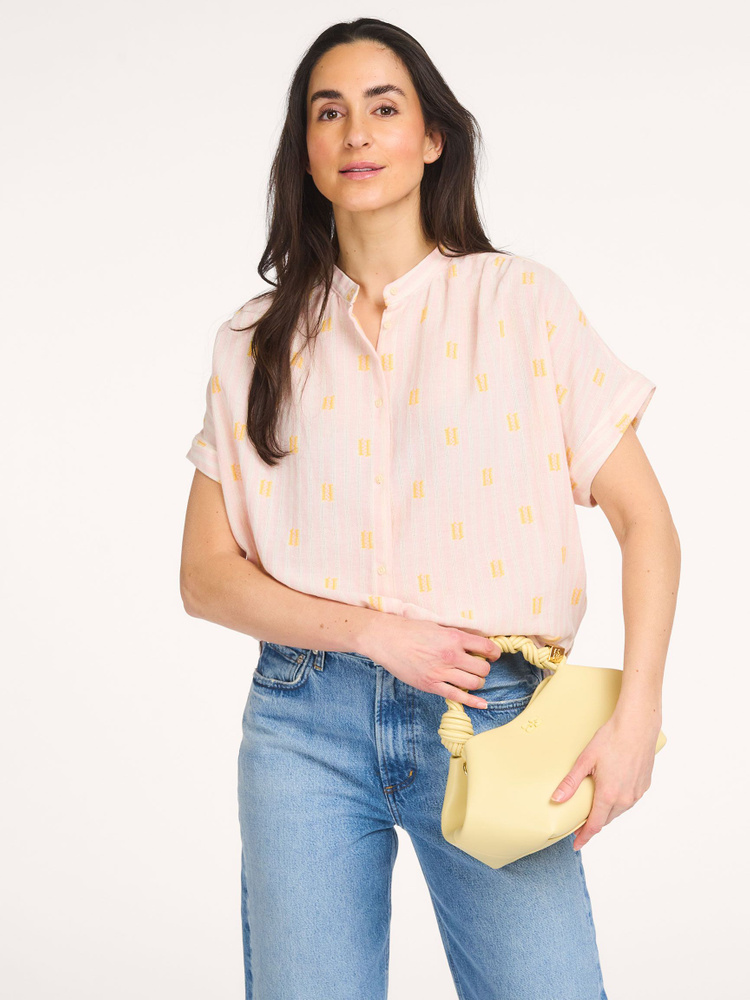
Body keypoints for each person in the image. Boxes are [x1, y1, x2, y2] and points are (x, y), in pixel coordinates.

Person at [180, 17, 679, 1000]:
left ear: (432, 137)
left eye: (384, 106)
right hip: (305, 725)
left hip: (494, 717)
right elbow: (204, 576)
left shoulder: (521, 303)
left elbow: (647, 521)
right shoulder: (253, 341)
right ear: (306, 150)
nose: (357, 133)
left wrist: (638, 713)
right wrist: (375, 633)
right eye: (329, 112)